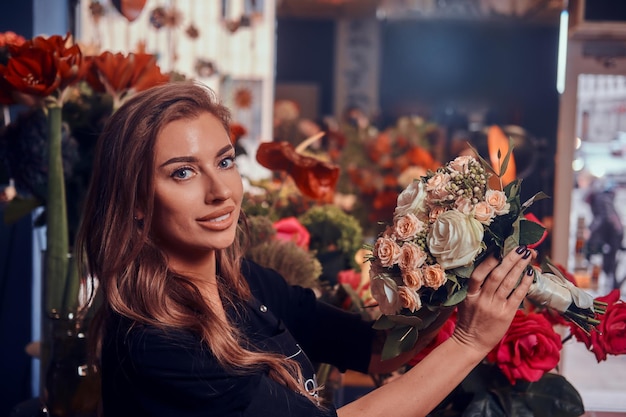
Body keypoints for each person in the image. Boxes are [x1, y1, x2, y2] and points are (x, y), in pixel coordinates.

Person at [75, 81, 535, 417]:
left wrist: (451, 272)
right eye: (182, 172)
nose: (221, 191)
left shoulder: (245, 282)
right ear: (136, 202)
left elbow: (374, 349)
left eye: (225, 161)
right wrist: (470, 342)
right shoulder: (156, 343)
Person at [585, 180, 624, 290]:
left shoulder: (599, 199)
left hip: (613, 235)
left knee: (609, 264)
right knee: (610, 264)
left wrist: (590, 230)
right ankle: (613, 288)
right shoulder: (602, 198)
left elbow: (602, 218)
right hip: (614, 234)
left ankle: (612, 290)